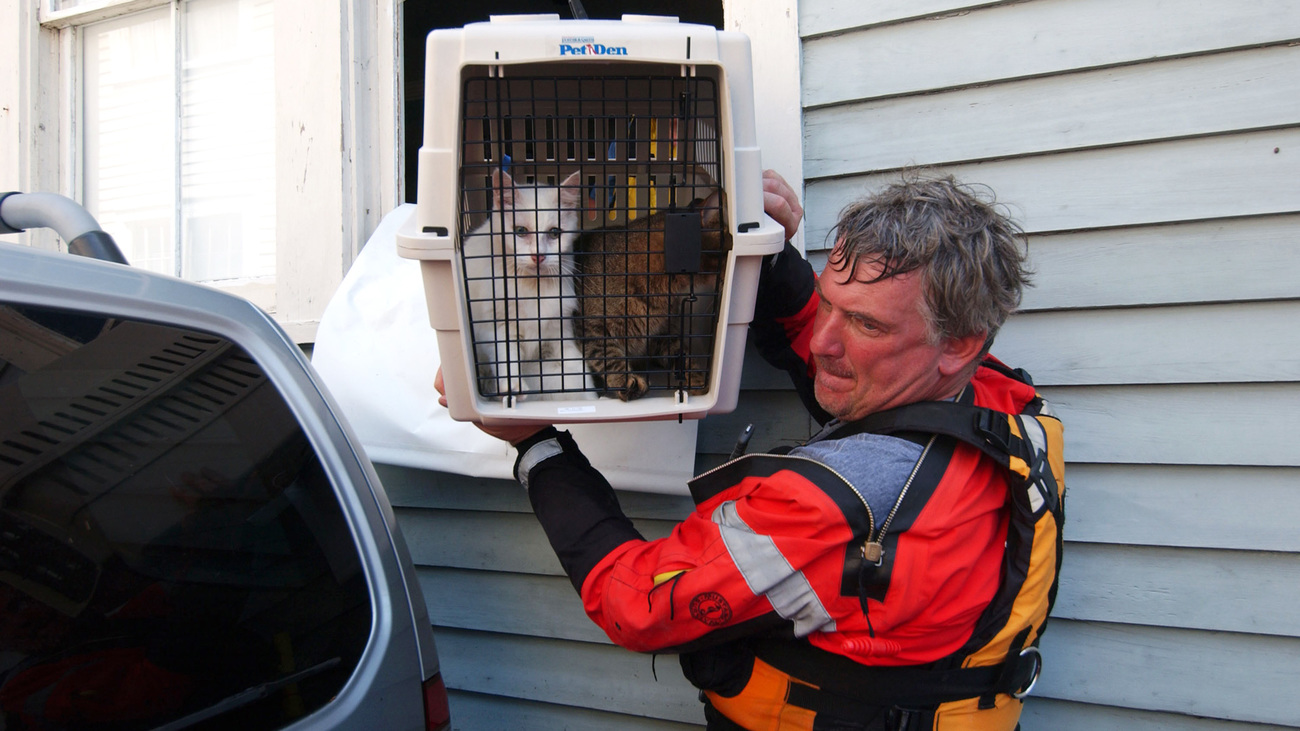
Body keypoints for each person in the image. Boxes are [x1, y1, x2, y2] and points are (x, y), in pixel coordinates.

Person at [435, 170, 1065, 731]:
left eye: (865, 324)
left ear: (958, 344)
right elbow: (811, 330)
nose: (822, 342)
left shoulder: (837, 506)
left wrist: (536, 446)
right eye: (830, 303)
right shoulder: (1002, 406)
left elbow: (641, 605)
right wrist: (762, 245)